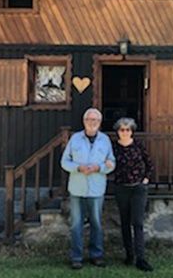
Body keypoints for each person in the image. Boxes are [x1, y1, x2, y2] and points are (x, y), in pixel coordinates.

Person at [60, 108, 115, 269]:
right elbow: (64, 162)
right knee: (76, 224)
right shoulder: (75, 139)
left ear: (99, 123)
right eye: (89, 120)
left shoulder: (105, 140)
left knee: (96, 223)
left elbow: (111, 162)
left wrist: (100, 168)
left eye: (96, 120)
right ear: (84, 121)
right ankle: (76, 257)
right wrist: (78, 168)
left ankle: (96, 255)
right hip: (77, 188)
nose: (92, 123)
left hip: (97, 189)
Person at [112, 117, 154, 272]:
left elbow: (149, 163)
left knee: (137, 222)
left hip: (138, 188)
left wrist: (146, 179)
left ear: (132, 132)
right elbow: (108, 164)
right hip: (121, 188)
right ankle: (129, 255)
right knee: (124, 222)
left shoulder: (138, 146)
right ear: (118, 132)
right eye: (122, 129)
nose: (125, 132)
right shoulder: (113, 148)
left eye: (128, 129)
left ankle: (141, 258)